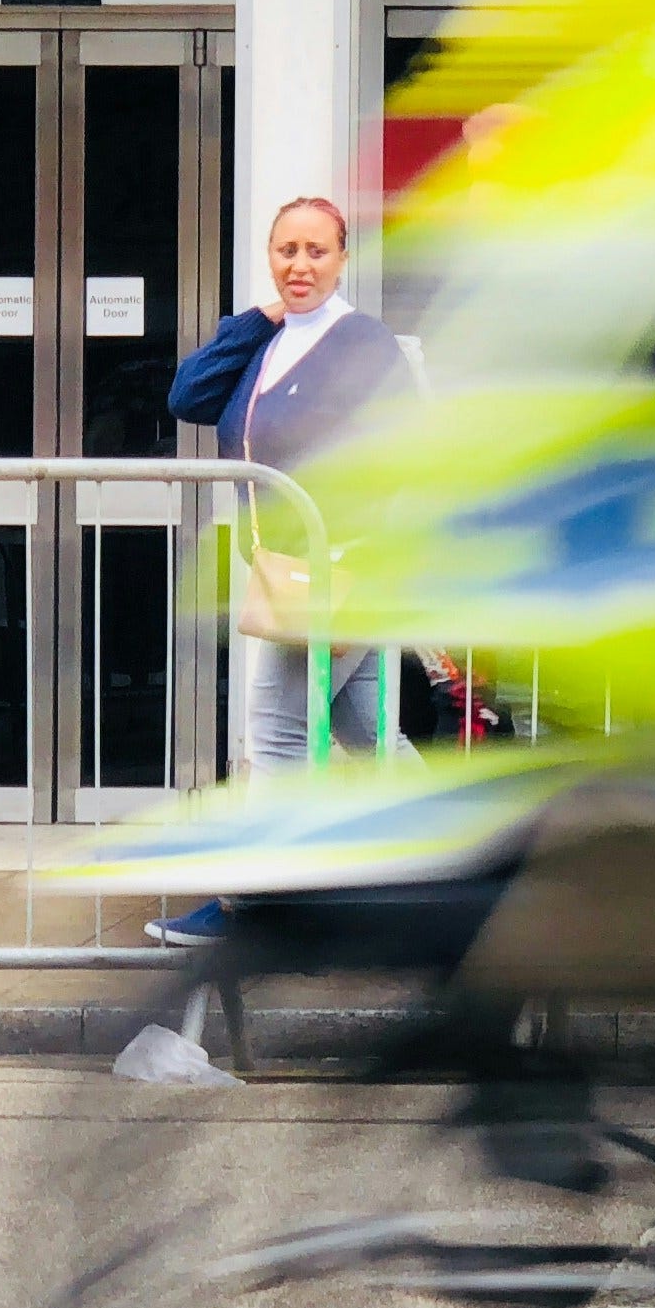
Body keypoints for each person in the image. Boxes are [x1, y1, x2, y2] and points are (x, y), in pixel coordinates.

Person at [148, 194, 415, 944]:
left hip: (338, 573)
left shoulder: (362, 343)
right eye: (286, 251)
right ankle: (475, 876)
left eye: (317, 252)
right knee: (369, 733)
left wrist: (360, 554)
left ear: (343, 259)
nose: (300, 266)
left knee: (276, 735)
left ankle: (251, 908)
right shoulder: (270, 342)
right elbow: (188, 396)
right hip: (291, 573)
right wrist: (261, 318)